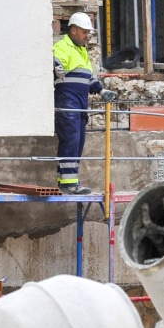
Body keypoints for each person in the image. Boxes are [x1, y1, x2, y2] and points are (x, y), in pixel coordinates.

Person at [53, 12, 115, 195]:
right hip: (67, 103)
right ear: (73, 30)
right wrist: (54, 66)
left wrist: (102, 91)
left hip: (79, 105)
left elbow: (89, 79)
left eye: (88, 32)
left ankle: (69, 180)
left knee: (77, 143)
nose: (87, 35)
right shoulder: (63, 46)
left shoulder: (82, 51)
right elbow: (54, 61)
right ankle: (68, 184)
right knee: (71, 141)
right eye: (84, 32)